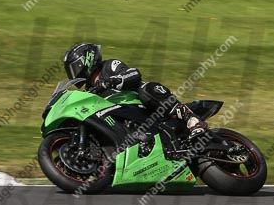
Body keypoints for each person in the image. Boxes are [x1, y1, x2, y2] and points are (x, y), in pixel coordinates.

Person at [63, 42, 207, 142]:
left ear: (86, 60)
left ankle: (191, 119)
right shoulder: (89, 91)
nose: (73, 73)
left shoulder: (109, 66)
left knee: (147, 90)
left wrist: (113, 81)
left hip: (142, 103)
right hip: (128, 120)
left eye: (74, 67)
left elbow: (134, 74)